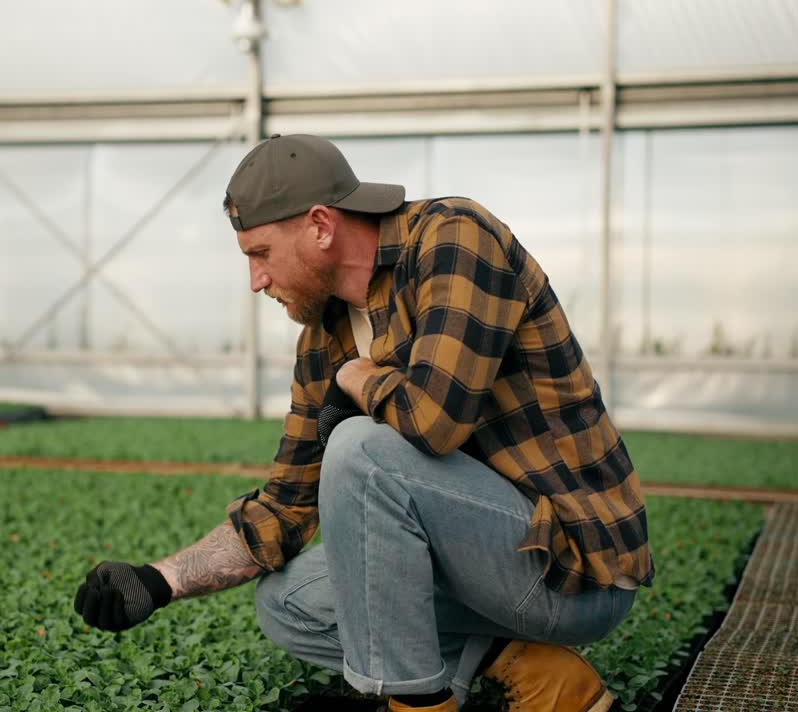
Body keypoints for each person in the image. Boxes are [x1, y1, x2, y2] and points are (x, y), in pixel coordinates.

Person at [74, 134, 654, 712]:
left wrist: (358, 380)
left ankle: (416, 704)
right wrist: (159, 580)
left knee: (360, 449)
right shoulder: (323, 338)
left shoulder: (455, 239)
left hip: (571, 570)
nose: (256, 280)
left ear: (321, 226)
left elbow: (435, 421)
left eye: (260, 254)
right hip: (480, 567)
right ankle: (538, 673)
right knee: (287, 600)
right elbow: (284, 509)